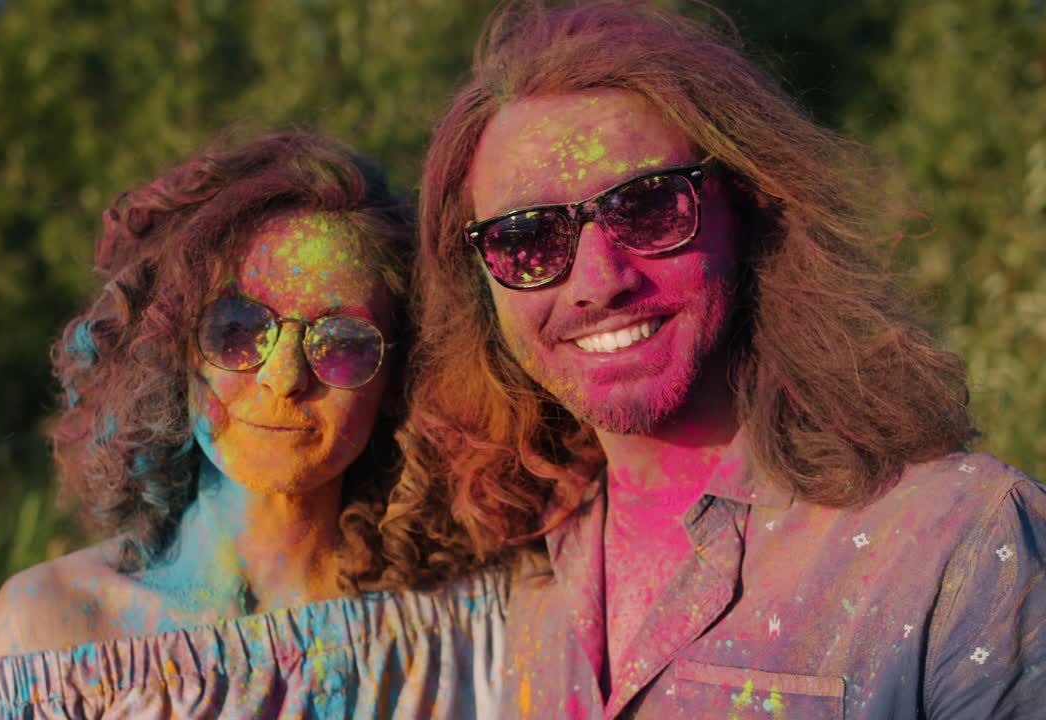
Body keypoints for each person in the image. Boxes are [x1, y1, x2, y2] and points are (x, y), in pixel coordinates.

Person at [391, 2, 1046, 718]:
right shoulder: (507, 568)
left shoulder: (959, 546)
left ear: (751, 207)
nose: (598, 281)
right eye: (527, 239)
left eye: (649, 207)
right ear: (480, 282)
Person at [0, 133, 505, 718]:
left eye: (342, 341)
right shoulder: (54, 635)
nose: (285, 377)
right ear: (173, 346)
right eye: (238, 329)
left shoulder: (463, 626)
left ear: (399, 380)